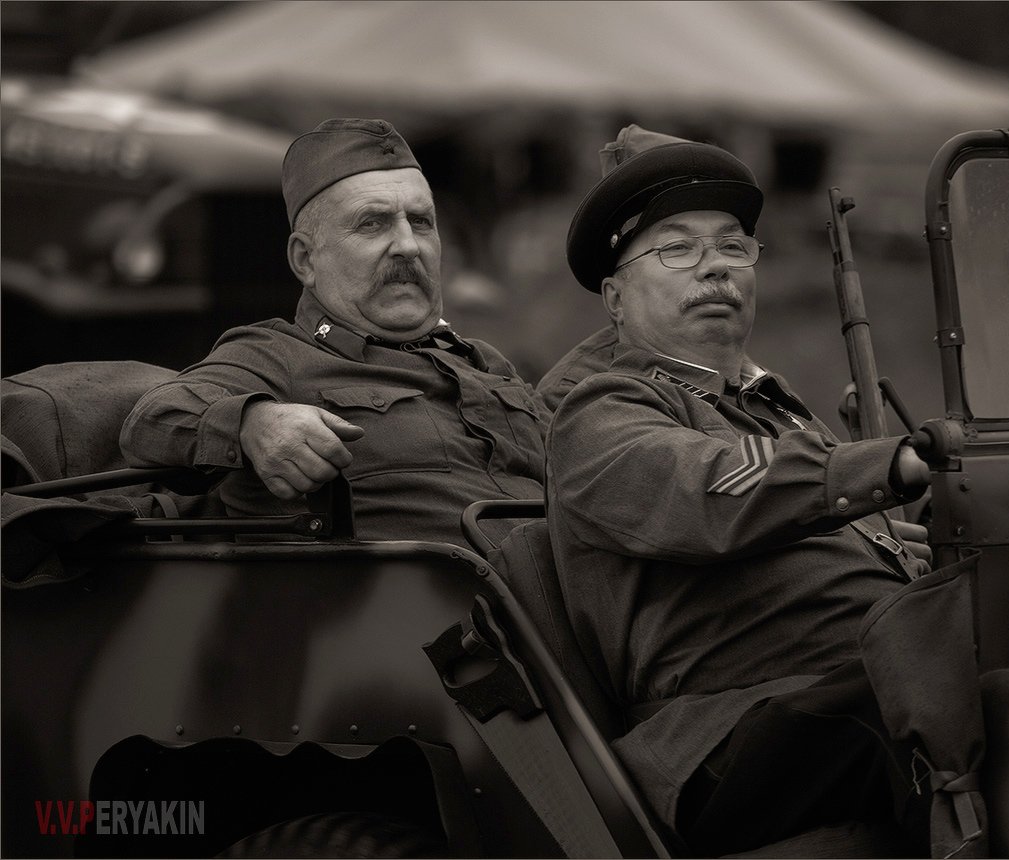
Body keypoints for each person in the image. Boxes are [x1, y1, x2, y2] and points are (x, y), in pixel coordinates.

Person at [545, 125, 942, 856]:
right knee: (930, 692)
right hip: (723, 730)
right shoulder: (602, 411)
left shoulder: (774, 407)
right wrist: (890, 464)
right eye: (677, 249)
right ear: (615, 296)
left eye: (733, 246)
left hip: (847, 680)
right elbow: (710, 486)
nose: (716, 267)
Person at [120, 118, 547, 543]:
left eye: (420, 222)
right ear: (305, 260)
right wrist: (253, 423)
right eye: (372, 223)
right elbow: (152, 420)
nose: (408, 245)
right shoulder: (276, 355)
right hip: (446, 584)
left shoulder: (484, 361)